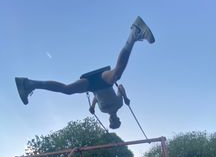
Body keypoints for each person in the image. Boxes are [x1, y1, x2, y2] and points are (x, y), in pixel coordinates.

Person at [15, 16, 155, 129]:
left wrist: (92, 106)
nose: (112, 120)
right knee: (116, 74)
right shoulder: (119, 104)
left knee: (67, 90)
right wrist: (125, 97)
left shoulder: (103, 110)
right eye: (114, 122)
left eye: (111, 123)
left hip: (93, 86)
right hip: (104, 81)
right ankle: (134, 33)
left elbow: (97, 98)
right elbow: (121, 87)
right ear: (117, 119)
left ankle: (28, 83)